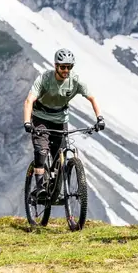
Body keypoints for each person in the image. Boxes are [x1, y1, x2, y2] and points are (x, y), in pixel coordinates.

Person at [23, 48, 105, 196]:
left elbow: (92, 98)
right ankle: (40, 188)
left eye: (69, 67)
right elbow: (29, 100)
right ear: (56, 66)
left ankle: (55, 187)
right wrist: (27, 122)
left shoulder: (75, 81)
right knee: (41, 151)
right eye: (63, 67)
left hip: (60, 119)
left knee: (59, 156)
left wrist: (100, 118)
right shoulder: (45, 79)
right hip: (41, 118)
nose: (66, 70)